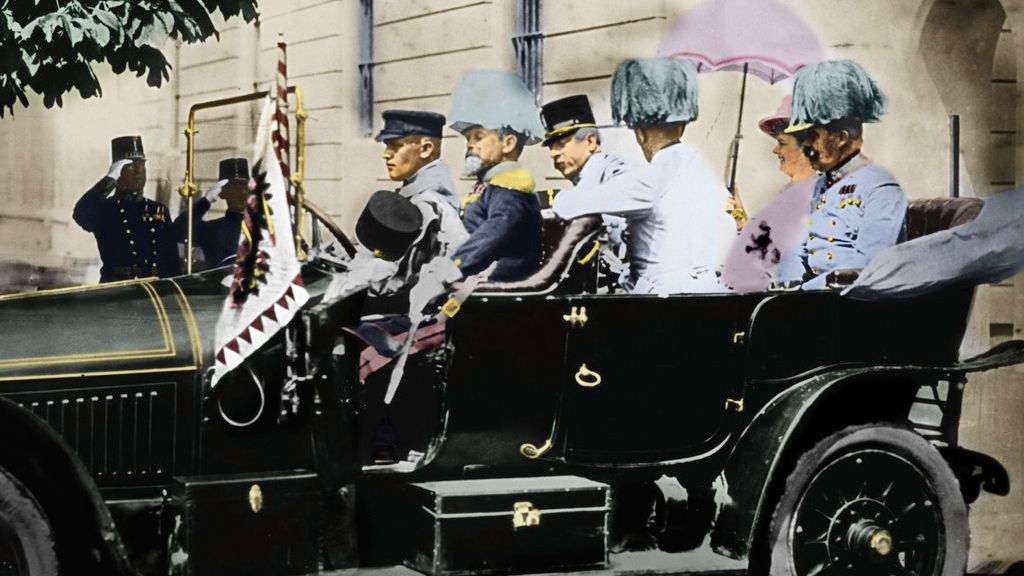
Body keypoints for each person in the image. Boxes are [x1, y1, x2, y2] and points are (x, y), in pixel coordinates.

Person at [551, 58, 735, 294]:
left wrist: (555, 199)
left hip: (660, 297)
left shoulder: (651, 181)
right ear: (682, 125)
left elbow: (569, 206)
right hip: (708, 292)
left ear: (640, 133)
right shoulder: (702, 171)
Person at [779, 59, 908, 290]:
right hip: (814, 299)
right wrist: (787, 283)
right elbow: (796, 247)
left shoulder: (880, 188)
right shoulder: (819, 185)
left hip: (853, 302)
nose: (805, 145)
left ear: (841, 138)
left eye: (813, 136)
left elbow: (866, 268)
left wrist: (803, 292)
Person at [447, 70, 545, 282]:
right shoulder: (492, 185)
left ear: (508, 143)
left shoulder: (511, 187)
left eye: (478, 137)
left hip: (491, 282)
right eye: (468, 138)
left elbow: (494, 233)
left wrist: (452, 266)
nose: (470, 144)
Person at [721, 96, 818, 292]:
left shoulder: (820, 195)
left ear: (806, 149)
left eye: (782, 143)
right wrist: (740, 217)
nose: (775, 150)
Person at [73, 136, 180, 282]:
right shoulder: (105, 209)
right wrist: (110, 178)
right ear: (118, 171)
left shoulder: (158, 209)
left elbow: (172, 262)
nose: (138, 171)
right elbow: (80, 214)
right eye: (131, 165)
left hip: (154, 289)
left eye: (142, 164)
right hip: (118, 289)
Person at [174, 158, 249, 269]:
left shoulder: (262, 227)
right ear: (222, 193)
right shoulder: (212, 230)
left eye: (245, 187)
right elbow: (177, 231)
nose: (242, 193)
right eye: (235, 188)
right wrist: (206, 200)